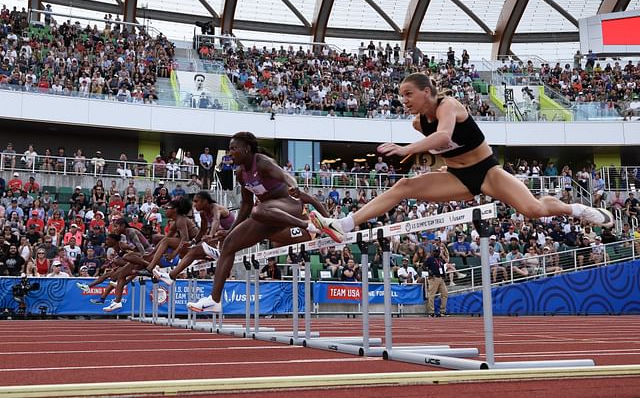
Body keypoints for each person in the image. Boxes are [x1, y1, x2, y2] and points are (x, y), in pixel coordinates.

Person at [309, 73, 613, 243]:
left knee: (533, 209)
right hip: (455, 177)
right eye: (401, 96)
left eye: (408, 94)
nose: (404, 100)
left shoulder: (448, 106)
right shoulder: (418, 123)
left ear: (427, 92)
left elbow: (443, 137)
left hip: (486, 171)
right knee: (404, 185)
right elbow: (440, 146)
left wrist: (406, 149)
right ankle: (343, 225)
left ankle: (575, 209)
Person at [186, 132, 317, 312]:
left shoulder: (262, 162)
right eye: (229, 149)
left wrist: (294, 185)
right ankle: (214, 300)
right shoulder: (241, 173)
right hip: (267, 215)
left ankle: (306, 224)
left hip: (290, 205)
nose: (230, 153)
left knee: (259, 209)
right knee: (229, 244)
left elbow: (286, 176)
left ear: (247, 149)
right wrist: (230, 230)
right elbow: (246, 205)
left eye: (234, 149)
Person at [423, 247, 448, 317]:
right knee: (431, 295)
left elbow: (442, 267)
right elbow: (424, 266)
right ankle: (431, 312)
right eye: (435, 251)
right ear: (433, 252)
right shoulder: (430, 259)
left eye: (438, 251)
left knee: (445, 293)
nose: (436, 253)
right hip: (433, 278)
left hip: (441, 278)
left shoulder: (440, 259)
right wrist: (429, 271)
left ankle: (442, 311)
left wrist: (444, 274)